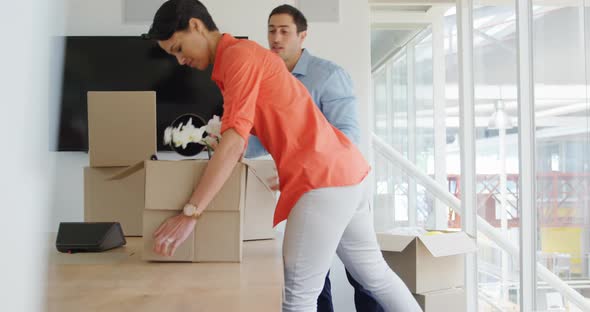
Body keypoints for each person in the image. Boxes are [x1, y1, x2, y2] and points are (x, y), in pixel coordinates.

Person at [144, 1, 421, 311]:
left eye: (178, 48)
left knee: (298, 298)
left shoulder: (238, 57)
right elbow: (252, 137)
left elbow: (236, 143)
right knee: (376, 276)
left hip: (322, 182)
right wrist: (218, 141)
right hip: (348, 176)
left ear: (195, 25)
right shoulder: (241, 59)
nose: (180, 60)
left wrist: (190, 213)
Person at [244, 5, 385, 312]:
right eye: (271, 30)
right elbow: (261, 139)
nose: (276, 37)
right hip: (302, 193)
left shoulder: (328, 75)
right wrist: (221, 144)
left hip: (338, 187)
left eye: (284, 30)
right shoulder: (268, 80)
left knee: (363, 277)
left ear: (302, 35)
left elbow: (347, 136)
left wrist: (303, 165)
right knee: (312, 278)